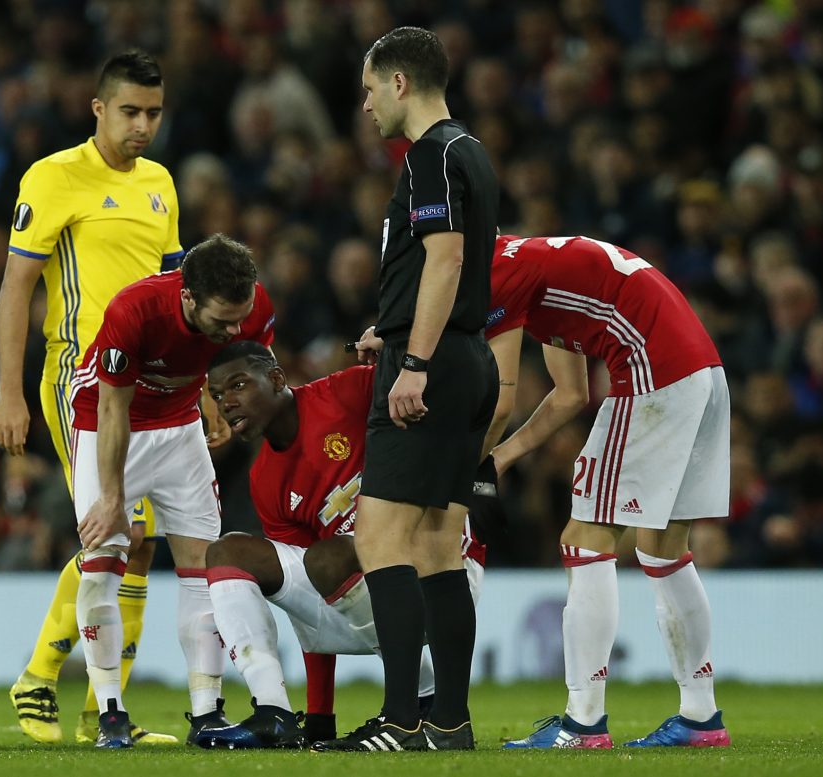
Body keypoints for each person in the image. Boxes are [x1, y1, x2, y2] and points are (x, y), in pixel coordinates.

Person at [0, 50, 214, 745]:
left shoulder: (160, 183)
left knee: (139, 547)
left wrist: (199, 383)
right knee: (120, 532)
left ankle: (102, 714)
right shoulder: (54, 176)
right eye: (130, 111)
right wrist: (8, 392)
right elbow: (14, 288)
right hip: (78, 377)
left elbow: (179, 296)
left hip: (148, 385)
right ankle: (38, 676)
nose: (142, 125)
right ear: (98, 109)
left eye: (153, 113)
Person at [313, 27, 500, 752]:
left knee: (379, 536)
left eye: (369, 90)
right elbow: (442, 267)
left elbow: (446, 260)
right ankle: (447, 722)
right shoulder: (471, 151)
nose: (365, 106)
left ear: (399, 83)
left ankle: (399, 720)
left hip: (434, 364)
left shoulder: (429, 155)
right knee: (437, 546)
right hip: (466, 358)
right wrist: (392, 329)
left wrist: (412, 359)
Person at [482, 235, 731, 749]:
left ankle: (583, 724)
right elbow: (570, 394)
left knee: (585, 537)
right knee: (662, 549)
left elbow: (501, 397)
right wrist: (501, 457)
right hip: (703, 373)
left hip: (652, 372)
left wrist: (468, 458)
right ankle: (701, 717)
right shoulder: (534, 267)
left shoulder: (497, 272)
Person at [192, 342, 488, 749]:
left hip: (443, 569)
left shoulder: (347, 392)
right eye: (217, 394)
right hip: (363, 588)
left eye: (238, 385)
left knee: (333, 556)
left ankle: (420, 693)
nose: (227, 403)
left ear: (276, 379)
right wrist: (320, 716)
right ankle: (274, 713)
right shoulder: (264, 480)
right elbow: (307, 600)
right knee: (229, 552)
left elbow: (427, 392)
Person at [68, 234, 275, 748]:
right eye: (223, 320)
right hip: (106, 424)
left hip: (180, 427)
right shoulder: (134, 311)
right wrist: (112, 498)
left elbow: (243, 366)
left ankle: (207, 714)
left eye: (241, 318)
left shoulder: (252, 306)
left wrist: (212, 401)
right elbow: (112, 407)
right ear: (188, 297)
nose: (235, 329)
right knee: (104, 557)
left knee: (204, 567)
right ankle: (110, 713)